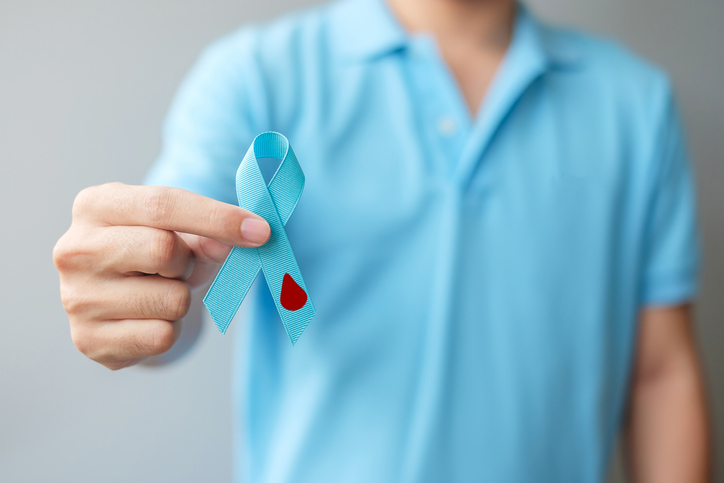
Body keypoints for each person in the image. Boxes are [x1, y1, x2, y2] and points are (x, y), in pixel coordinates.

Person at [52, 0, 711, 481]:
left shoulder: (636, 106)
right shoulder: (256, 77)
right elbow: (182, 270)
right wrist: (137, 290)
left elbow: (659, 373)